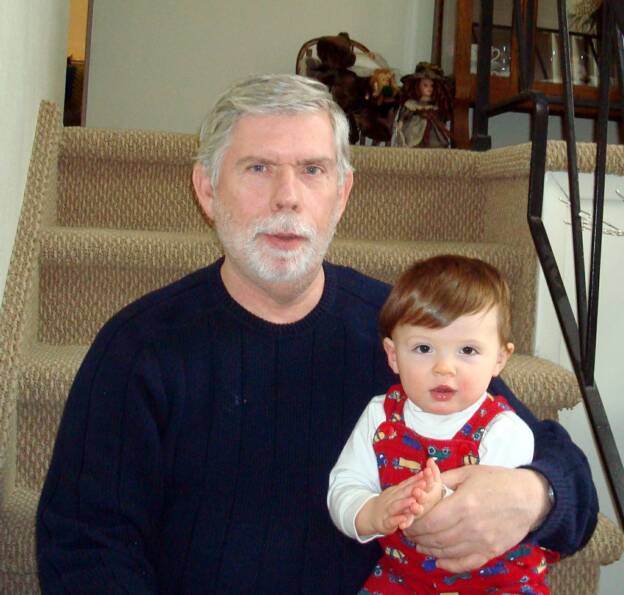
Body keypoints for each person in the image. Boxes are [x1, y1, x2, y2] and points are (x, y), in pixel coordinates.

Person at [36, 74, 596, 594]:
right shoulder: (139, 348)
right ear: (206, 190)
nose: (288, 196)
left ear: (343, 192)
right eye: (258, 168)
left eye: (312, 170)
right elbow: (85, 545)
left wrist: (534, 495)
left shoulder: (407, 335)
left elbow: (569, 481)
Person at [328, 255, 561, 594]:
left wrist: (440, 499)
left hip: (495, 582)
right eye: (423, 348)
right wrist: (371, 511)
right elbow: (345, 484)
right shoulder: (381, 417)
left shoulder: (505, 430)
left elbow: (492, 510)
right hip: (405, 579)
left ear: (499, 359)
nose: (444, 368)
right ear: (393, 355)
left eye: (467, 350)